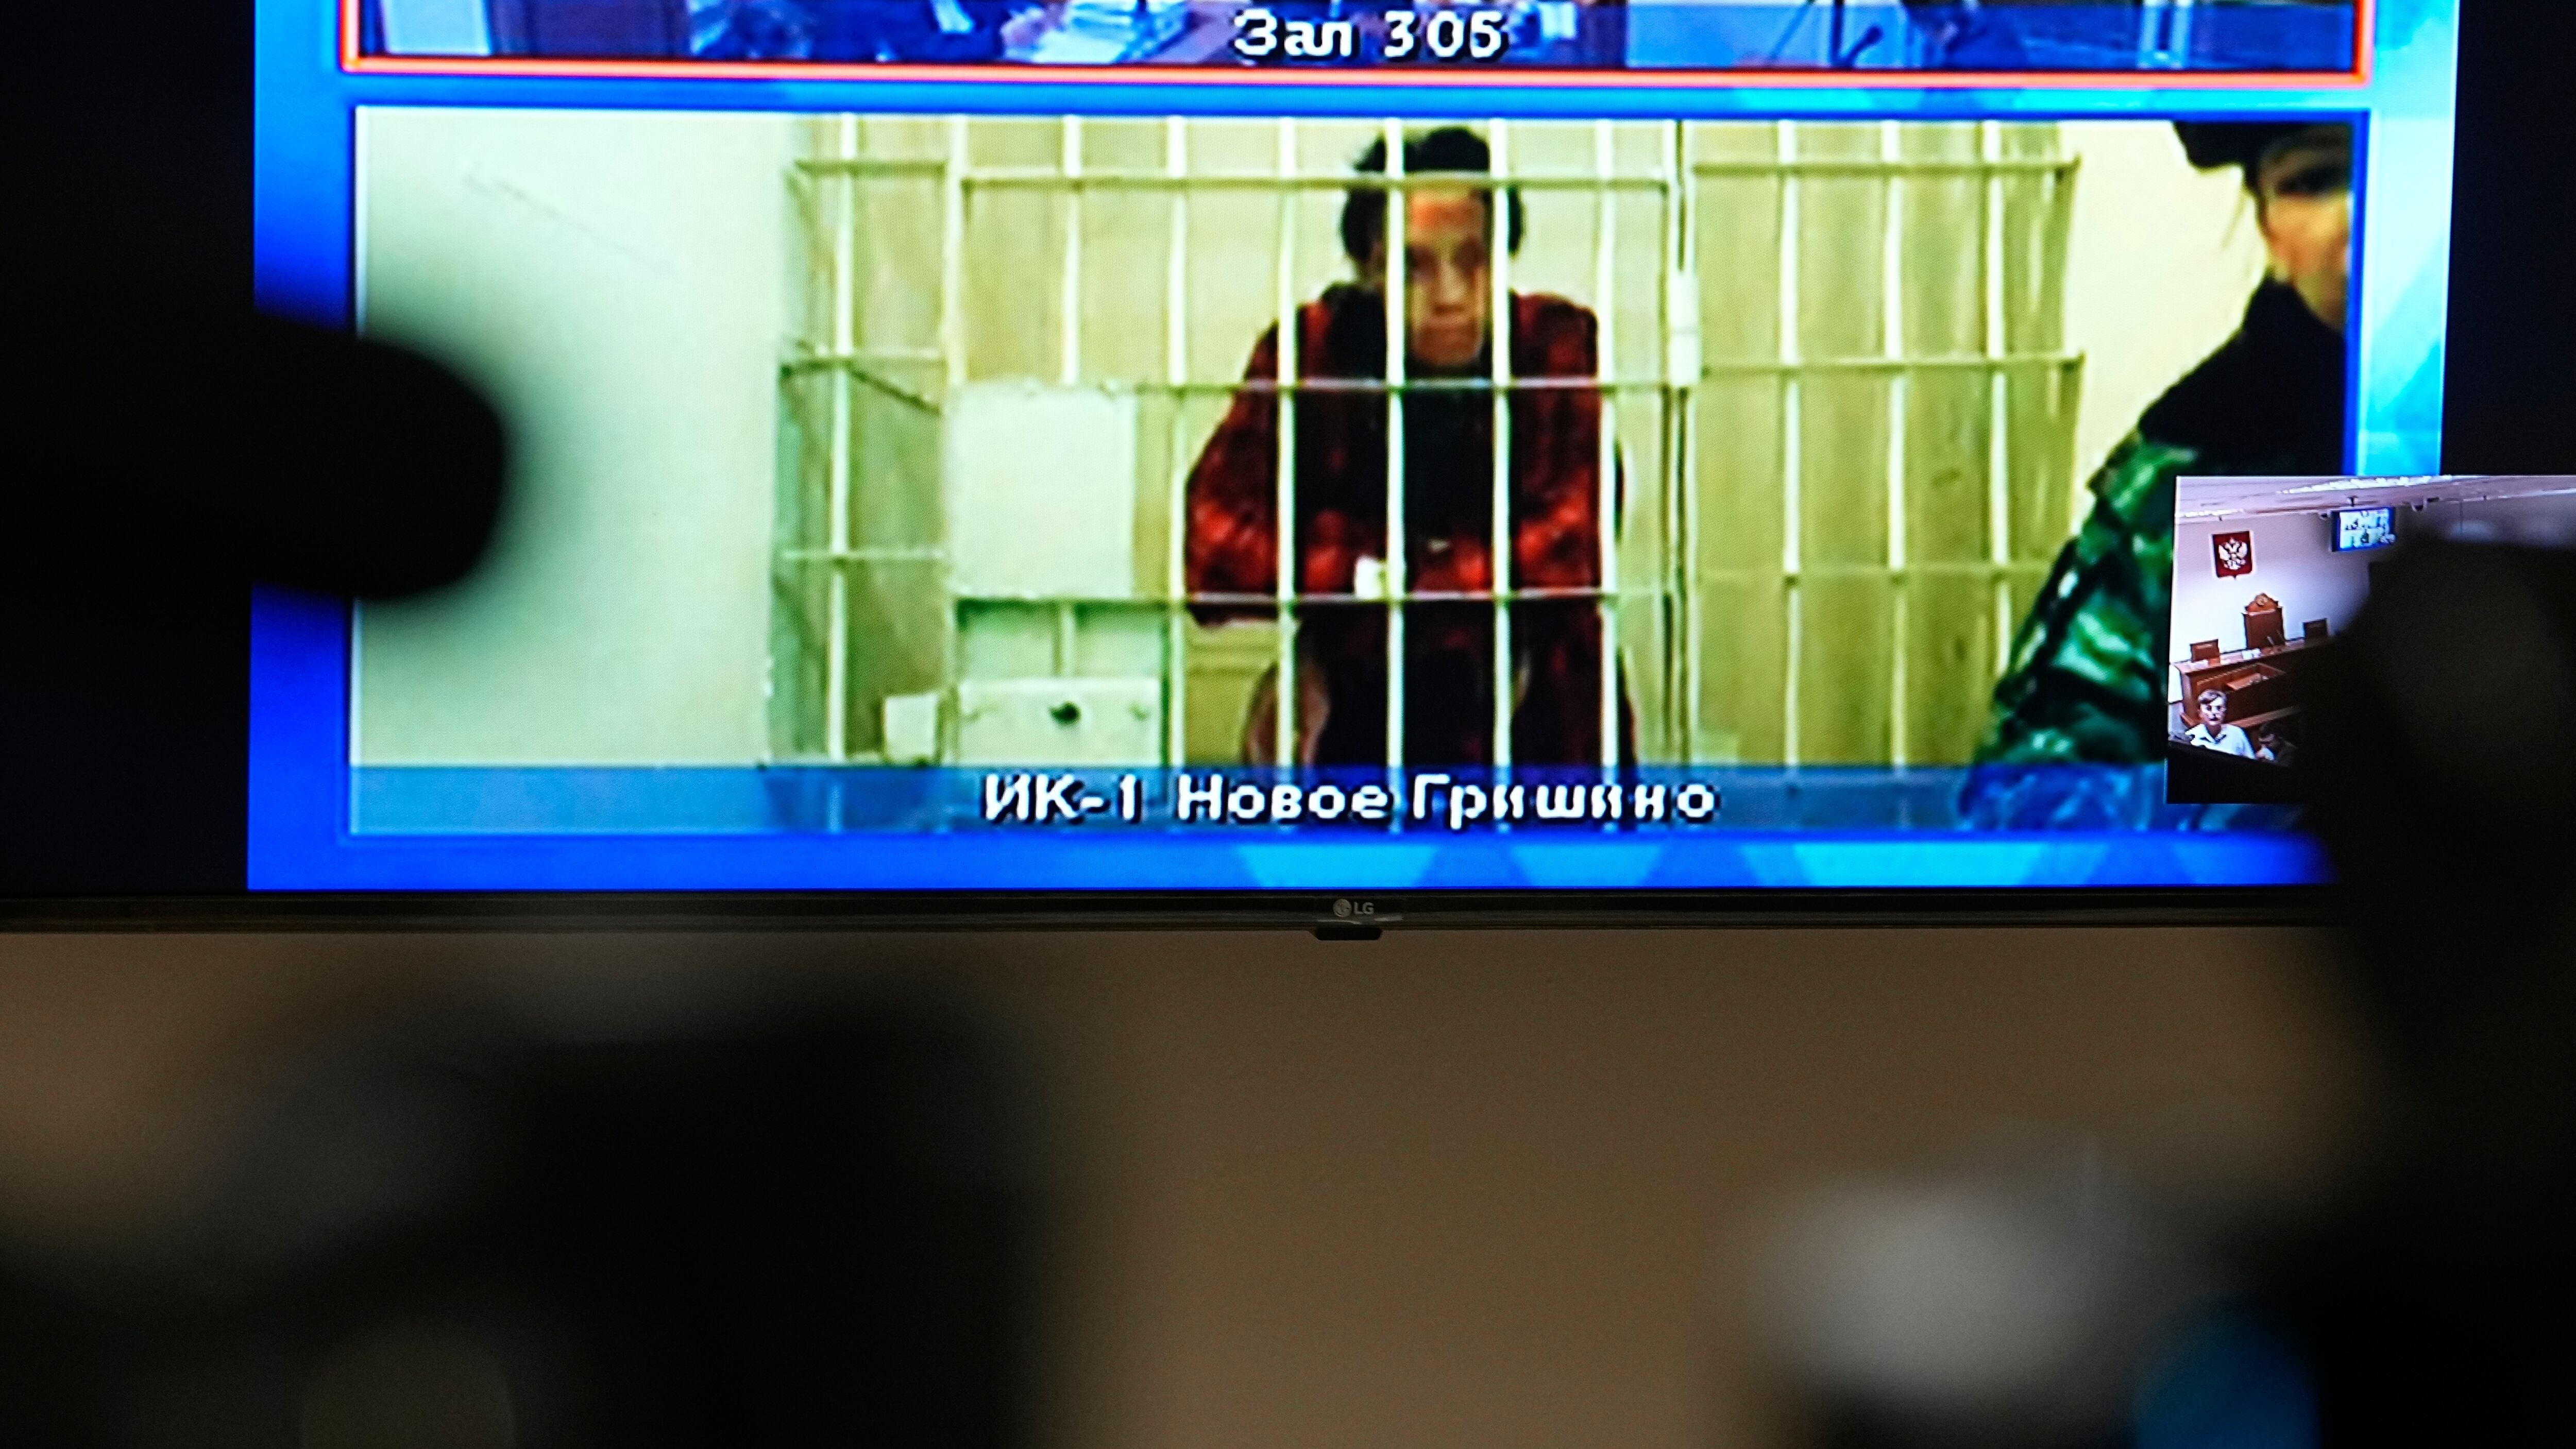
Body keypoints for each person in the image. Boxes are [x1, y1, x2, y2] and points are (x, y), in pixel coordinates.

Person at [1183, 126, 1629, 768]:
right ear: (1367, 271)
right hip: (1362, 733)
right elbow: (1212, 553)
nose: (1449, 295)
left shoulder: (1550, 347)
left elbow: (1572, 551)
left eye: (1473, 261)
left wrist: (1346, 591)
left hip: (1540, 729)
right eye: (1412, 267)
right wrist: (1413, 574)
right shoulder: (1313, 353)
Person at [1968, 122, 2350, 787]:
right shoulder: (2196, 461)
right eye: (2314, 181)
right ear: (2268, 232)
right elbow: (2029, 791)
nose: (2365, 212)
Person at [2180, 688, 2274, 761]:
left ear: (2224, 712)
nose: (2214, 713)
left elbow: (2250, 761)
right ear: (2200, 713)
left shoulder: (2237, 733)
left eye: (2219, 708)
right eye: (2209, 708)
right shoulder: (2190, 737)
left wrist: (2259, 755)